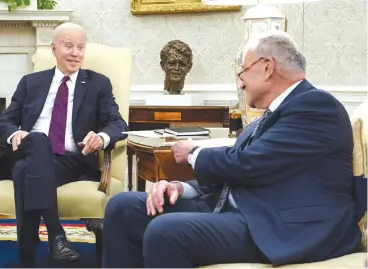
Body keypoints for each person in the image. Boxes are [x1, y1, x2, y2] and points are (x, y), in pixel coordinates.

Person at [102, 31, 362, 268]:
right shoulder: (271, 113)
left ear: (268, 67)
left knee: (166, 231)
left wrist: (194, 153)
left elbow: (252, 164)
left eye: (243, 72)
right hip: (240, 209)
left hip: (284, 225)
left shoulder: (315, 106)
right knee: (122, 207)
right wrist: (181, 187)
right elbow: (245, 168)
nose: (241, 83)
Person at [0, 22, 128, 267]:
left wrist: (101, 137)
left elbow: (117, 123)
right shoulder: (31, 82)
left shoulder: (98, 84)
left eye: (80, 47)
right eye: (68, 46)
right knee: (37, 140)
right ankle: (56, 237)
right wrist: (14, 135)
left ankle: (26, 256)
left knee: (23, 172)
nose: (75, 53)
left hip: (68, 159)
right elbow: (4, 122)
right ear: (53, 48)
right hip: (25, 148)